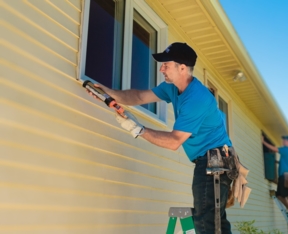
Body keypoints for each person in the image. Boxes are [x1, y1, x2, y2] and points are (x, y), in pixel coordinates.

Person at [87, 42, 233, 233]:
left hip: (216, 161)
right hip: (211, 160)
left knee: (207, 223)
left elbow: (174, 141)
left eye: (166, 64)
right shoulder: (172, 88)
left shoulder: (198, 98)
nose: (161, 68)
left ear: (182, 68)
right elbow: (139, 97)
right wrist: (109, 92)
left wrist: (137, 129)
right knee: (214, 222)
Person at [262, 135, 288, 221]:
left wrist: (263, 142)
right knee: (279, 195)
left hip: (285, 176)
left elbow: (274, 149)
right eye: (283, 140)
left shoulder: (286, 150)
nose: (283, 142)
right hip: (283, 175)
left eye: (285, 140)